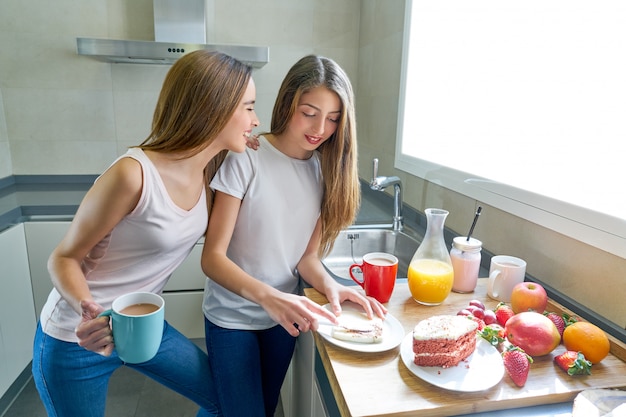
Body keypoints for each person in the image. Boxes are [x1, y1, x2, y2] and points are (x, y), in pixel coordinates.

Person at [32, 50, 259, 417]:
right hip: (79, 336)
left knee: (227, 403)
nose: (255, 119)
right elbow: (63, 257)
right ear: (212, 107)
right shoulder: (132, 174)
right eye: (248, 108)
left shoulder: (208, 169)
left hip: (142, 324)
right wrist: (88, 313)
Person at [201, 55, 388, 417]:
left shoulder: (324, 170)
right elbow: (212, 258)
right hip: (232, 319)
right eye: (309, 112)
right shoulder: (247, 157)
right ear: (288, 102)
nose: (320, 127)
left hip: (283, 318)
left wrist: (333, 286)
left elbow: (306, 259)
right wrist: (269, 297)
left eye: (334, 119)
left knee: (262, 409)